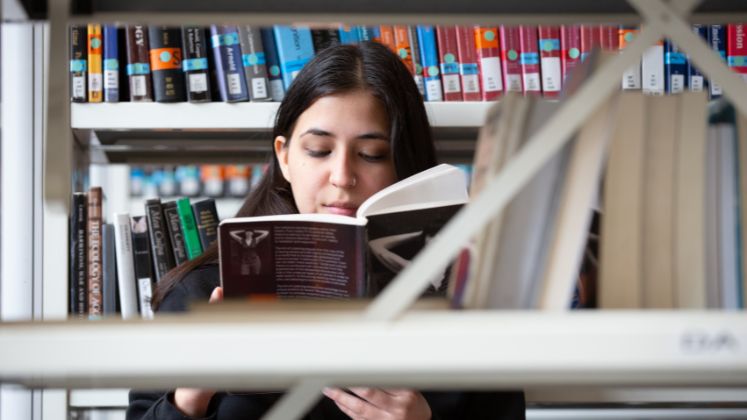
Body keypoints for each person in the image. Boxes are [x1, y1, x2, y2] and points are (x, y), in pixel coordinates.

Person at [127, 41, 525, 420]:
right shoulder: (201, 295)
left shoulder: (469, 307)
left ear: (406, 165)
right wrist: (192, 395)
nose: (342, 177)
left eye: (372, 154)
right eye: (319, 150)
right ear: (283, 157)